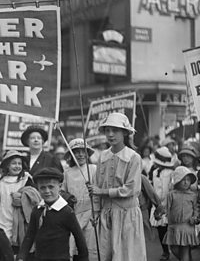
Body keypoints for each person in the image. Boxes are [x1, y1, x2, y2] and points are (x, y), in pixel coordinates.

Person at [87, 112, 146, 261]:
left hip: (127, 215)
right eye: (108, 130)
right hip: (106, 216)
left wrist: (103, 192)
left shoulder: (133, 157)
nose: (111, 134)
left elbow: (132, 188)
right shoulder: (102, 156)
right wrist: (96, 212)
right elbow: (96, 187)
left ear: (125, 133)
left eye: (116, 130)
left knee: (127, 256)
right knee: (106, 255)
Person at [17, 167, 88, 261]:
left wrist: (83, 259)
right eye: (42, 187)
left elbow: (80, 239)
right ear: (37, 188)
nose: (47, 191)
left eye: (51, 187)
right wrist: (21, 257)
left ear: (60, 186)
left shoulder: (67, 212)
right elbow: (29, 236)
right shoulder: (37, 210)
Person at [0, 150, 34, 257]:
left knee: (21, 252)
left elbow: (34, 196)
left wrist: (22, 198)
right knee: (5, 252)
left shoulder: (26, 179)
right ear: (7, 165)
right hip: (5, 220)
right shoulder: (1, 181)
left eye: (19, 163)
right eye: (13, 163)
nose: (17, 166)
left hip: (21, 222)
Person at [63, 138, 98, 260]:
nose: (80, 154)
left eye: (83, 151)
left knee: (90, 246)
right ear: (71, 155)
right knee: (74, 246)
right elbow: (62, 191)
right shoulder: (67, 173)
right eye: (76, 152)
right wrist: (68, 197)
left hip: (91, 213)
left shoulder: (94, 169)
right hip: (75, 214)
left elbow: (100, 190)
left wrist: (94, 189)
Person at [162, 166, 200, 261]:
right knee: (174, 249)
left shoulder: (193, 195)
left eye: (188, 180)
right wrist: (160, 213)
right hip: (174, 226)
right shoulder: (171, 194)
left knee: (185, 249)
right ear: (177, 181)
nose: (186, 182)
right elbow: (166, 208)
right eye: (183, 179)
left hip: (187, 226)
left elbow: (196, 208)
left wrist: (195, 217)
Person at [149, 146, 175, 260]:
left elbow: (172, 188)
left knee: (170, 228)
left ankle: (173, 249)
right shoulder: (154, 172)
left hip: (169, 204)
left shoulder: (171, 173)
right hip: (157, 204)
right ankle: (165, 251)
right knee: (161, 229)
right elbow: (153, 187)